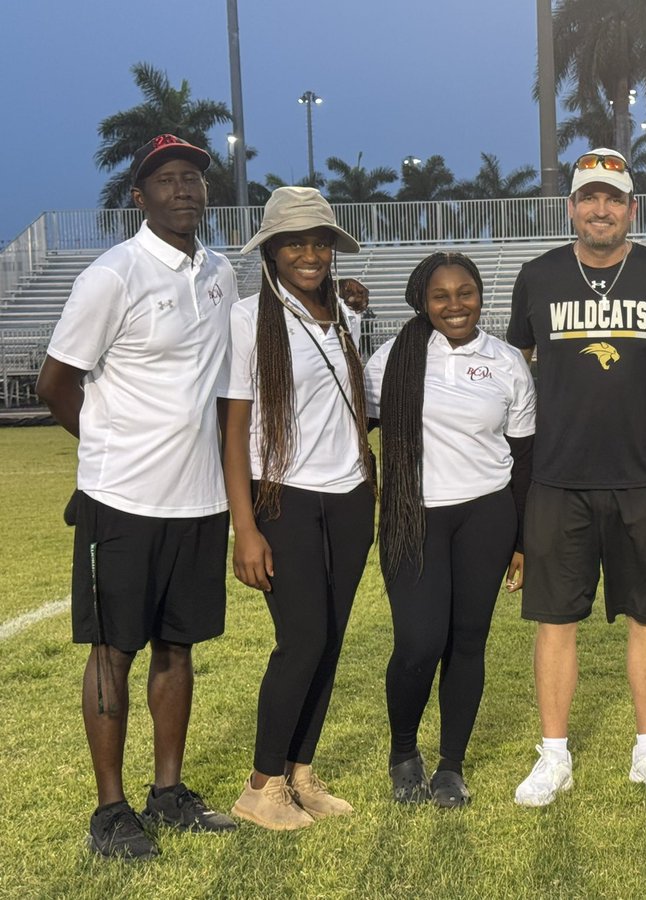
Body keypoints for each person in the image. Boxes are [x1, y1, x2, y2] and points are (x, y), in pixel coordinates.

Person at [35, 134, 239, 859]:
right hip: (121, 501)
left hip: (200, 500)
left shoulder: (220, 273)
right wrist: (107, 456)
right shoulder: (112, 276)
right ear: (140, 195)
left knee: (178, 649)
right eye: (168, 179)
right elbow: (56, 384)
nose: (185, 189)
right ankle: (111, 811)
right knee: (113, 651)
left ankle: (169, 792)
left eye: (194, 179)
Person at [506, 148, 646, 807]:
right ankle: (552, 755)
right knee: (554, 619)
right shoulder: (536, 277)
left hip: (644, 479)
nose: (601, 209)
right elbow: (513, 374)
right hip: (558, 480)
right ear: (571, 208)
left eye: (613, 198)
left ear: (632, 209)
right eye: (589, 197)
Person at [220, 187, 376, 830]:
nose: (309, 254)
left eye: (319, 242)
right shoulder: (246, 318)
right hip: (283, 495)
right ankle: (261, 786)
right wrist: (245, 527)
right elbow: (233, 429)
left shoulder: (341, 311)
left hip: (349, 496)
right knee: (302, 637)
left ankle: (299, 773)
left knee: (330, 639)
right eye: (294, 242)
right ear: (272, 251)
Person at [365, 252, 535, 808]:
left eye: (466, 292)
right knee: (418, 641)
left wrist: (520, 540)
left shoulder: (508, 361)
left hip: (486, 515)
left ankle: (451, 767)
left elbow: (523, 457)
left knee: (467, 642)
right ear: (421, 300)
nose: (455, 305)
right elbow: (350, 427)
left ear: (481, 296)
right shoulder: (390, 359)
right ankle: (403, 753)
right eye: (442, 295)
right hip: (414, 518)